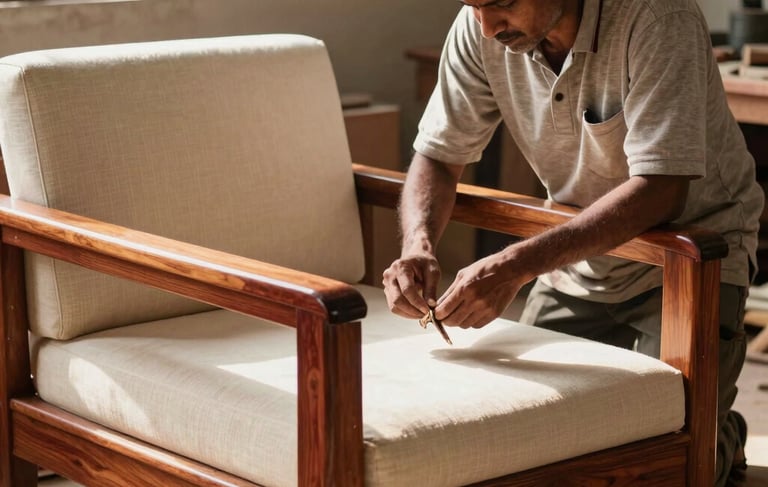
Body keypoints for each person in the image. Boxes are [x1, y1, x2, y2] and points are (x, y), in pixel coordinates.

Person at [382, 0, 764, 485]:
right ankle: (712, 426)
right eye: (474, 6)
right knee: (530, 437)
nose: (487, 25)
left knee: (664, 460)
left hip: (689, 258)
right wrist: (417, 245)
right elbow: (437, 156)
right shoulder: (478, 28)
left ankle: (720, 435)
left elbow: (662, 187)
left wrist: (517, 263)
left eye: (501, 4)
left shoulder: (658, 16)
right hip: (577, 261)